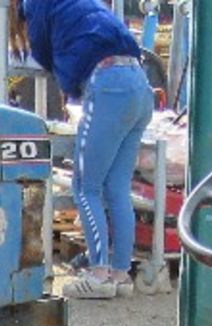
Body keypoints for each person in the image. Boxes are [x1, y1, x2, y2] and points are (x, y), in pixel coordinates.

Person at [10, 0, 155, 299]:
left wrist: (69, 85)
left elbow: (42, 52)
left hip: (108, 86)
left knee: (85, 187)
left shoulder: (34, 4)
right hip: (140, 85)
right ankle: (120, 276)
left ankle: (98, 274)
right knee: (117, 188)